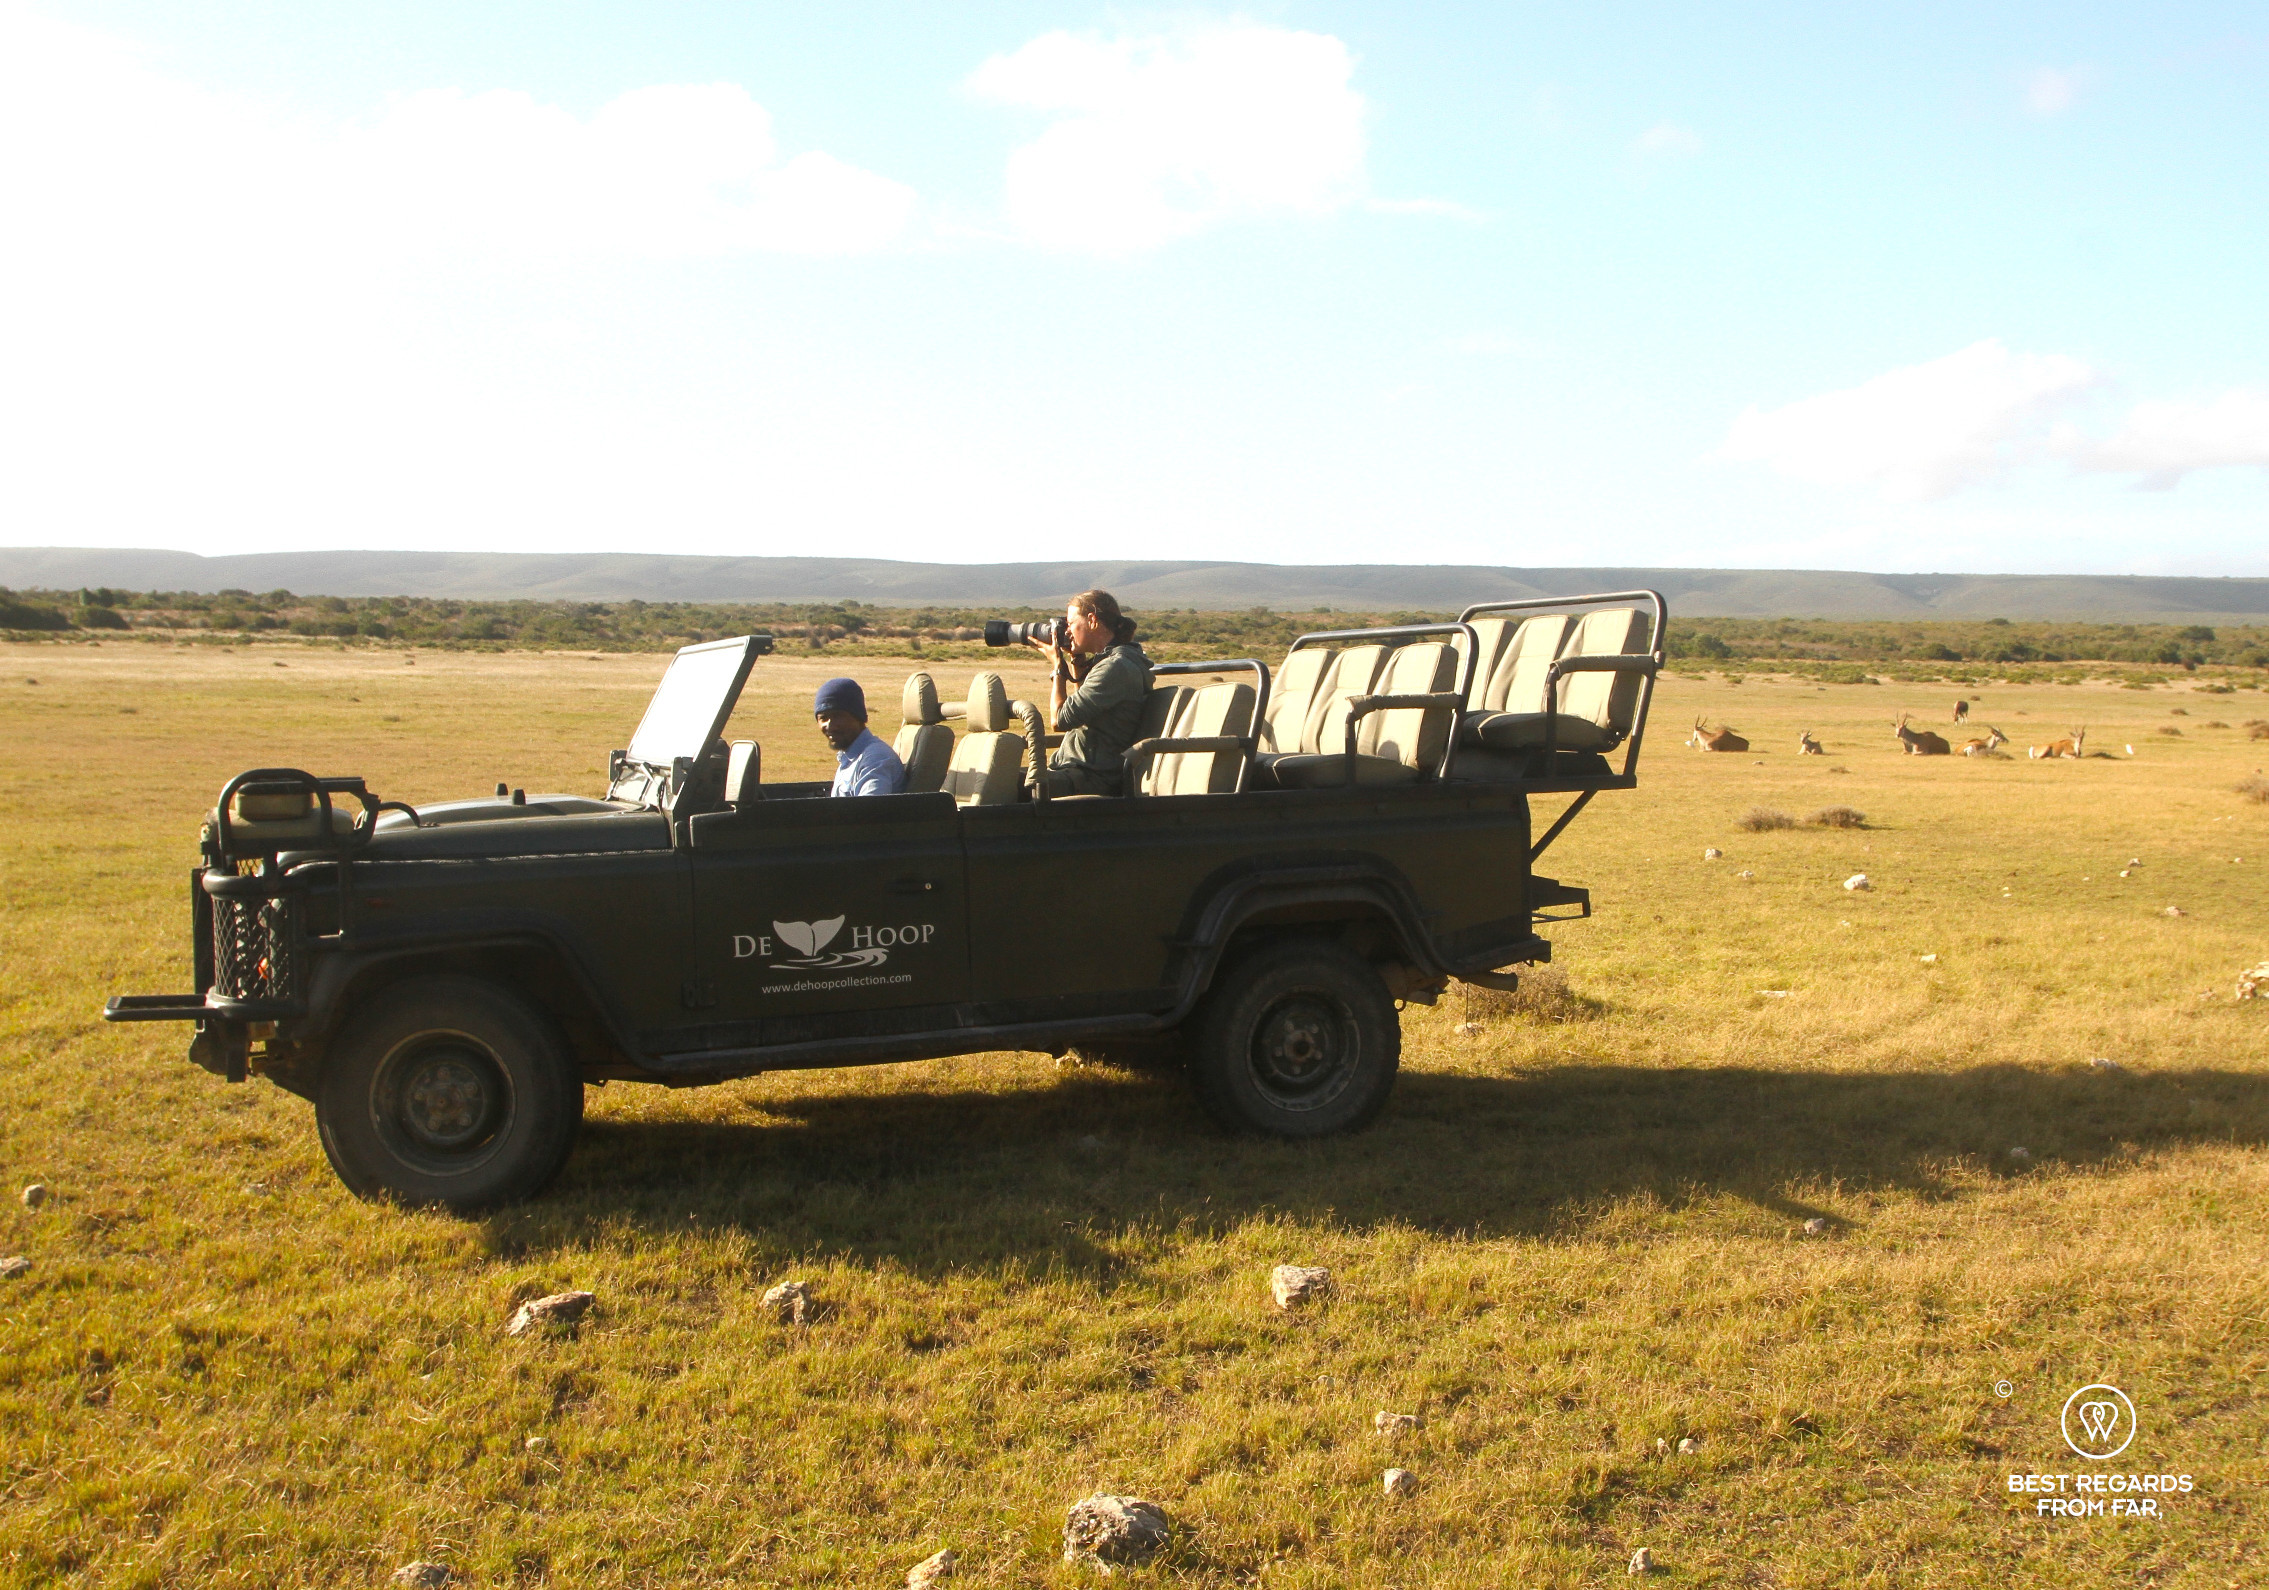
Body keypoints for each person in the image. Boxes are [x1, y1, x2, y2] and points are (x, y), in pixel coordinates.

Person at [1028, 589, 1153, 796]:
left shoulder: (1115, 667)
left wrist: (1058, 667)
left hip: (1092, 776)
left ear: (1092, 620)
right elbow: (1083, 710)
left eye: (1070, 623)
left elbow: (1060, 720)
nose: (1067, 632)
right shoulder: (1117, 661)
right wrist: (1077, 660)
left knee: (1004, 784)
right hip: (1086, 770)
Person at [814, 677, 906, 796]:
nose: (831, 726)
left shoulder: (875, 758)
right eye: (823, 718)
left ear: (859, 718)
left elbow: (867, 811)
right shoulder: (850, 757)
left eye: (838, 716)